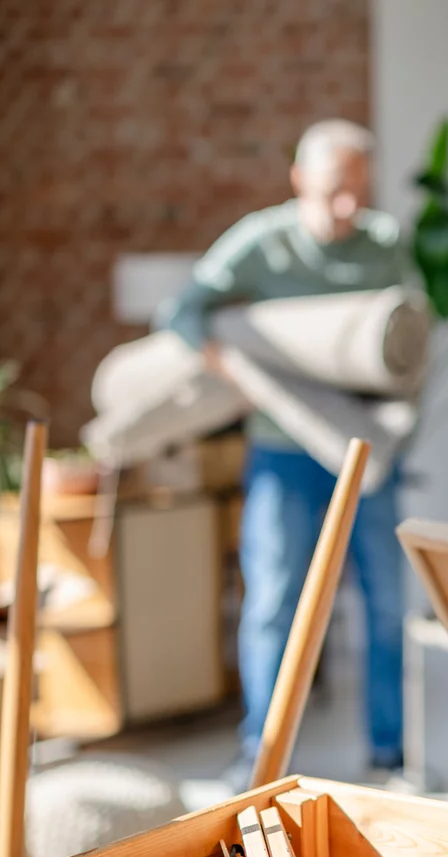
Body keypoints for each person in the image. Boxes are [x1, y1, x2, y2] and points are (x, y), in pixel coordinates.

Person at [157, 119, 411, 785]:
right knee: (273, 601)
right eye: (333, 191)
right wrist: (235, 369)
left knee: (387, 599)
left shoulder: (384, 248)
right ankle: (262, 755)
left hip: (365, 454)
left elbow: (410, 341)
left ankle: (391, 755)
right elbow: (182, 310)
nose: (347, 206)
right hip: (282, 453)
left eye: (359, 191)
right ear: (299, 182)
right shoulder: (261, 245)